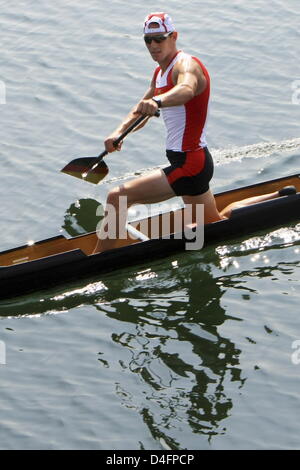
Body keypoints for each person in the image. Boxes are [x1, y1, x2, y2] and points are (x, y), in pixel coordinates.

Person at [95, 12, 291, 252]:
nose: (153, 45)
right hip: (194, 162)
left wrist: (158, 102)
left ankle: (98, 259)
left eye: (160, 38)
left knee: (118, 198)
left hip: (189, 165)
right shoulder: (159, 74)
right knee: (214, 223)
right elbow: (139, 112)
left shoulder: (187, 65)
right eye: (148, 40)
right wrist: (117, 133)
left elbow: (186, 89)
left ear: (174, 36)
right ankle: (282, 197)